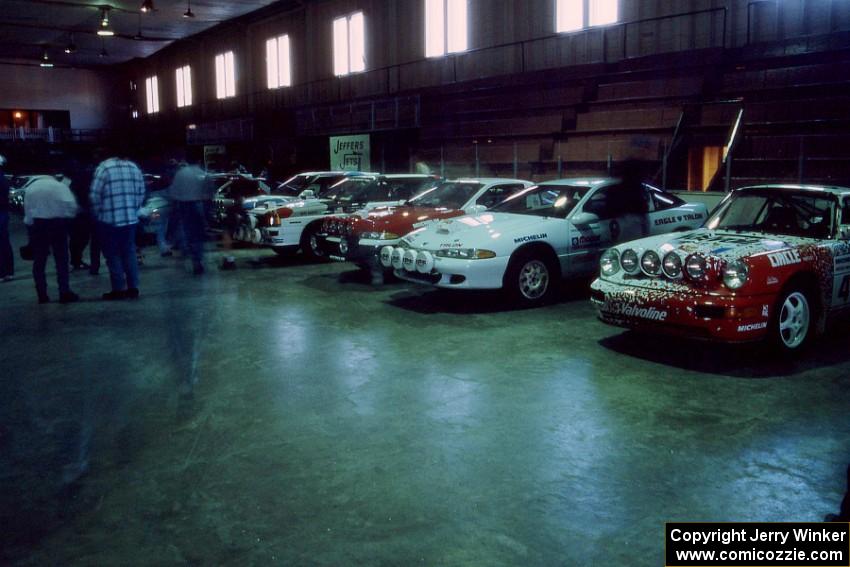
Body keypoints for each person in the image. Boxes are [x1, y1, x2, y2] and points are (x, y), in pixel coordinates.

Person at [90, 152, 146, 300]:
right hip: (130, 220)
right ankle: (133, 287)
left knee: (113, 255)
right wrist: (133, 209)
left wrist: (98, 212)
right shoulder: (134, 168)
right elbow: (141, 193)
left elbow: (95, 195)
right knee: (129, 253)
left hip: (109, 221)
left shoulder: (105, 168)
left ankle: (118, 289)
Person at [23, 176, 80, 303]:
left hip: (38, 225)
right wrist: (68, 218)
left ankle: (42, 294)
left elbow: (28, 214)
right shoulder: (60, 186)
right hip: (58, 224)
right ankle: (64, 292)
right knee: (62, 259)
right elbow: (71, 205)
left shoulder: (30, 188)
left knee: (39, 260)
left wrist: (30, 230)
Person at [168, 157, 211, 275]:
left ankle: (189, 253)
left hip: (184, 206)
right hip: (199, 205)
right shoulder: (203, 174)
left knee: (187, 232)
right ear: (199, 162)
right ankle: (198, 258)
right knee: (198, 235)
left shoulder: (180, 174)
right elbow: (209, 193)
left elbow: (173, 194)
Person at [0, 155, 14, 282]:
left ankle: (3, 272)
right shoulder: (3, 178)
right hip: (3, 212)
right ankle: (8, 271)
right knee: (4, 241)